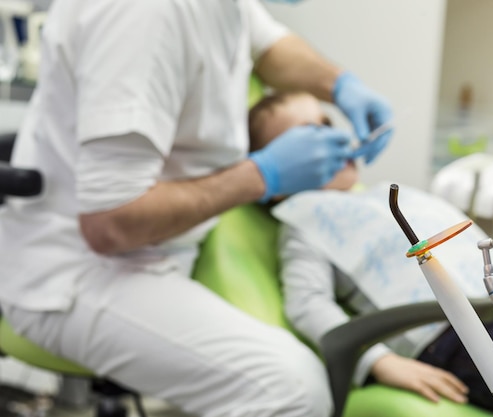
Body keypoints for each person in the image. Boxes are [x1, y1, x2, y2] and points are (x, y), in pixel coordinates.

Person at [0, 1, 394, 416]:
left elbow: (269, 45)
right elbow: (109, 224)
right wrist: (264, 175)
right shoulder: (140, 15)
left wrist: (340, 83)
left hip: (154, 247)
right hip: (79, 272)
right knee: (294, 391)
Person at [248, 91, 493, 413]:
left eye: (326, 125)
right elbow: (307, 304)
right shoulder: (302, 221)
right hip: (454, 339)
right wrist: (381, 361)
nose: (327, 140)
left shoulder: (385, 194)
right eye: (305, 136)